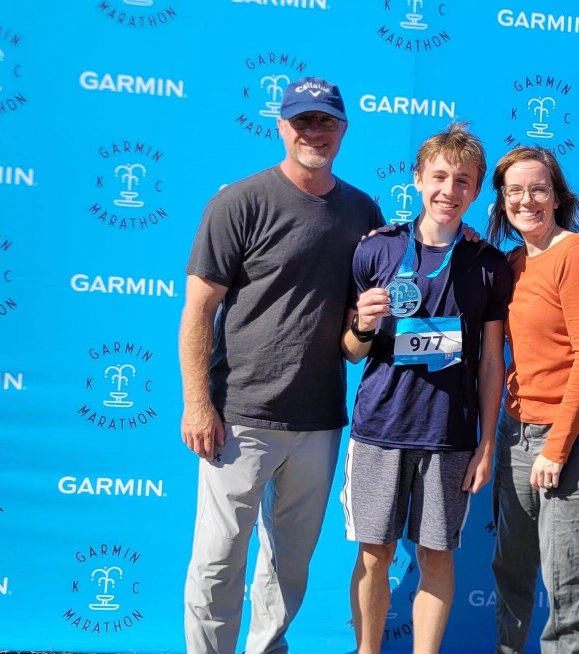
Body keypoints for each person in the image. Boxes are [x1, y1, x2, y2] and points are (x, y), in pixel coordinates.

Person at [180, 76, 384, 654]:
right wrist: (198, 402)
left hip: (318, 420)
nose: (314, 131)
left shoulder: (362, 209)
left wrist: (365, 331)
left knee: (288, 566)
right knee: (219, 562)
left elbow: (353, 333)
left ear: (343, 130)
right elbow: (198, 310)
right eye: (303, 120)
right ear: (280, 126)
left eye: (326, 121)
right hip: (238, 416)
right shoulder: (239, 201)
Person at [340, 123, 513, 654]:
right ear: (417, 179)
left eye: (463, 181)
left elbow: (490, 365)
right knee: (375, 553)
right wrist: (363, 326)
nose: (449, 190)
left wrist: (486, 443)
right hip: (379, 431)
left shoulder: (488, 265)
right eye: (438, 176)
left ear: (476, 190)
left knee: (437, 556)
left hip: (450, 437)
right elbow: (350, 349)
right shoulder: (377, 252)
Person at [487, 146, 579, 654]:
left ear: (558, 197)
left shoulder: (576, 256)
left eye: (538, 189)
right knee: (511, 570)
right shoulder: (511, 262)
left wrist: (557, 449)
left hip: (577, 436)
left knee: (565, 579)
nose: (527, 200)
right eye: (515, 191)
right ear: (502, 200)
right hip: (517, 430)